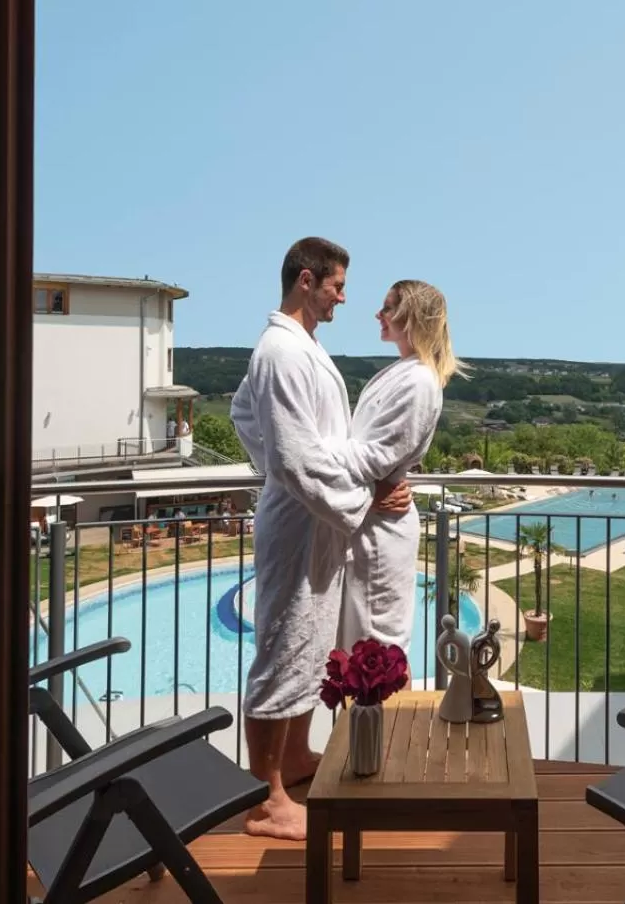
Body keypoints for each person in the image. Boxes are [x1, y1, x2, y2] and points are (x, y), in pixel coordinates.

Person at [230, 237, 411, 841]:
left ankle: (295, 757)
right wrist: (361, 497)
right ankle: (266, 800)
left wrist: (290, 472)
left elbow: (243, 415)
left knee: (310, 645)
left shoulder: (301, 346)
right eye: (337, 286)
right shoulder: (280, 351)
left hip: (318, 519)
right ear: (306, 280)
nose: (343, 298)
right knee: (282, 648)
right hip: (301, 523)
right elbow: (293, 454)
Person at [337, 280, 465, 649]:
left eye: (388, 308)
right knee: (360, 642)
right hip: (370, 515)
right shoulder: (402, 371)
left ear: (413, 317)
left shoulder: (420, 381)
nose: (378, 314)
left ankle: (392, 695)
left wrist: (312, 456)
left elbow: (377, 457)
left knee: (380, 646)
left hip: (384, 529)